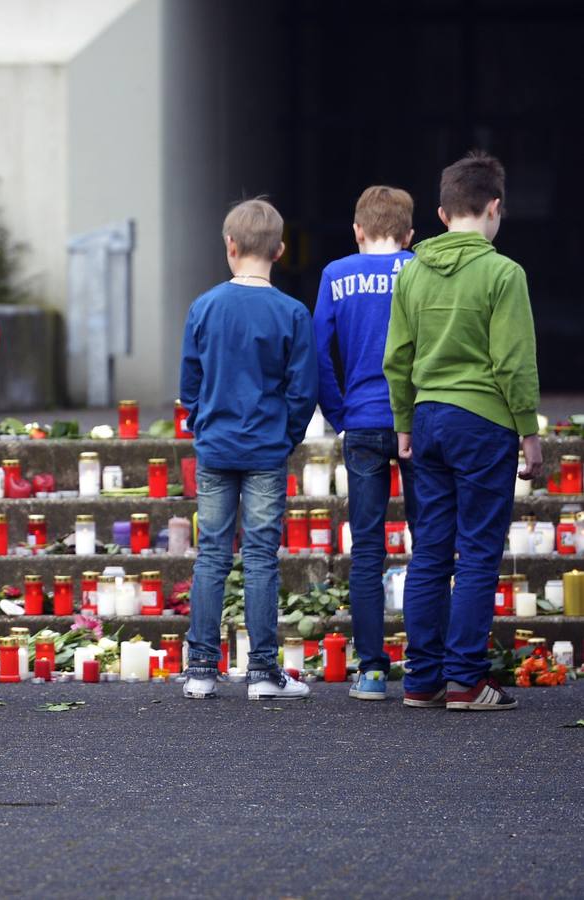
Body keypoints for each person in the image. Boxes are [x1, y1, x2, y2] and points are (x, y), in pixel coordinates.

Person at [383, 151, 541, 711]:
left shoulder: (413, 273)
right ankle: (466, 681)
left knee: (429, 551)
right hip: (484, 421)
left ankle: (422, 680)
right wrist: (529, 432)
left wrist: (404, 422)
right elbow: (514, 363)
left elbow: (396, 358)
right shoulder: (504, 273)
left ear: (443, 214)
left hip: (426, 420)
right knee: (476, 552)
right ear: (494, 208)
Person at [179, 198, 318, 701]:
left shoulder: (205, 306)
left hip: (215, 447)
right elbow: (303, 389)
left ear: (229, 246)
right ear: (280, 250)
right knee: (261, 556)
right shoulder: (292, 312)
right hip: (265, 448)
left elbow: (189, 382)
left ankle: (200, 669)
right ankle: (261, 671)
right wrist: (288, 436)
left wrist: (201, 422)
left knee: (211, 554)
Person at [312, 186, 416, 701]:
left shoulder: (336, 275)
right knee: (432, 544)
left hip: (363, 421)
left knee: (369, 549)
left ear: (357, 231)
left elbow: (317, 356)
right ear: (410, 234)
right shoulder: (420, 270)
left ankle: (373, 670)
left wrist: (340, 415)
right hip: (418, 422)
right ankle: (425, 666)